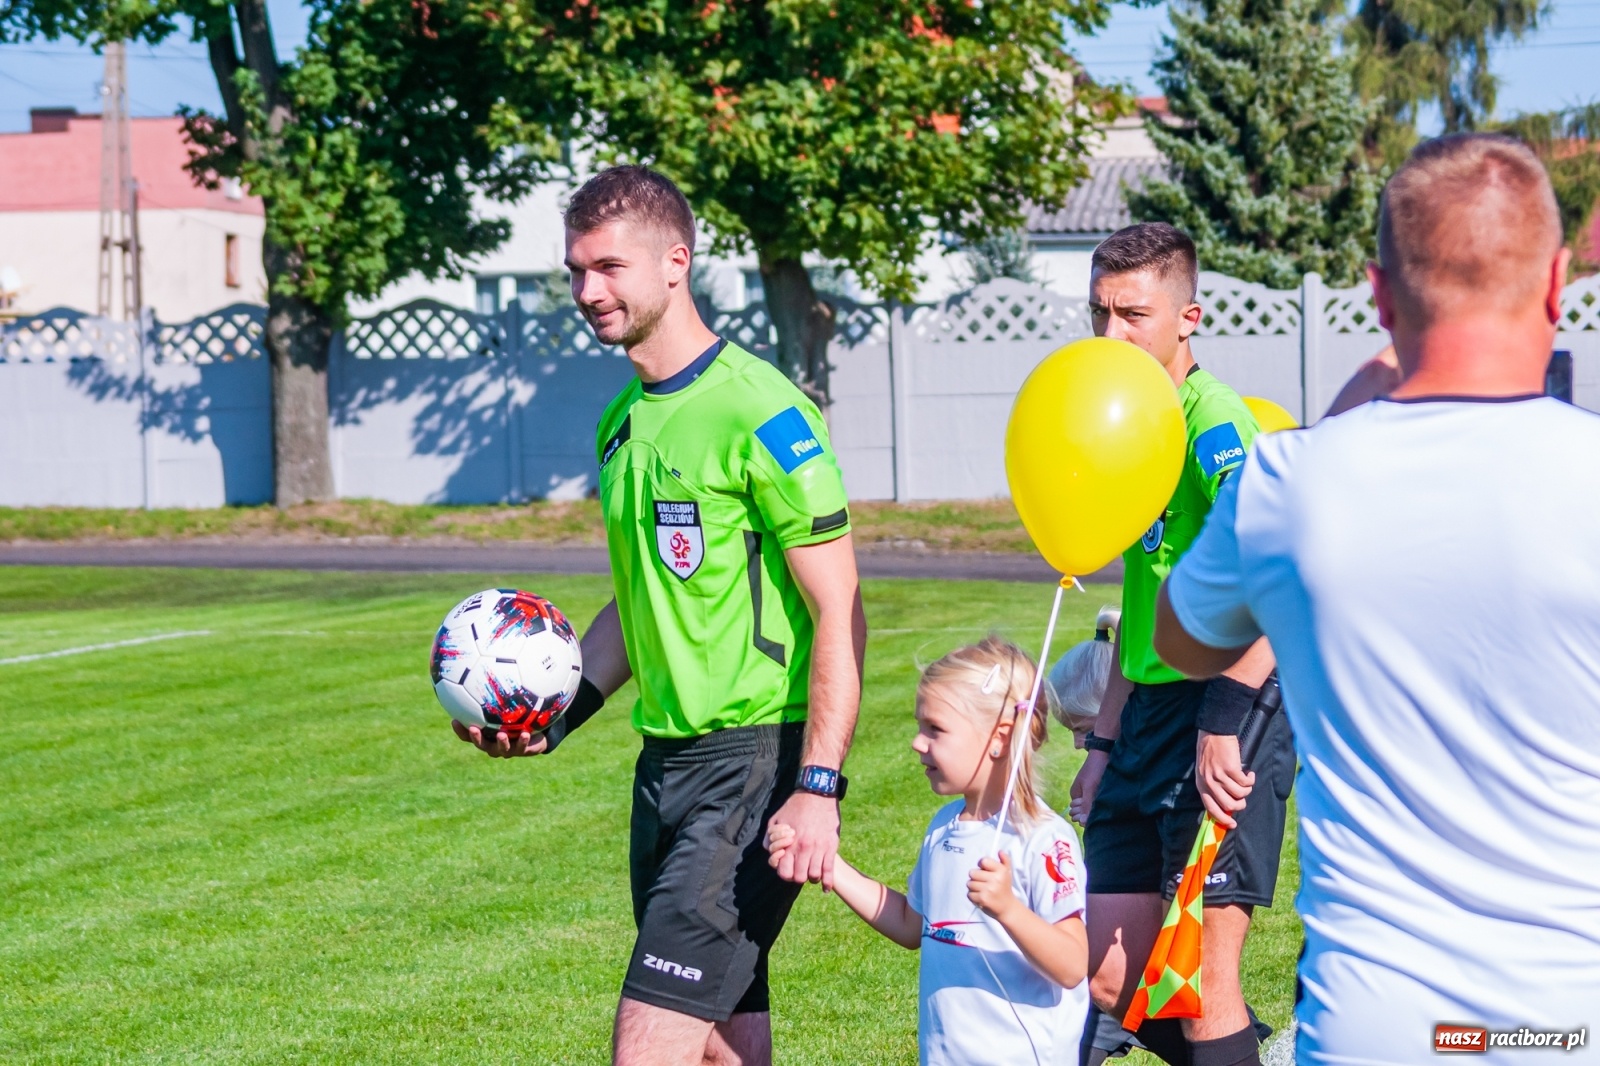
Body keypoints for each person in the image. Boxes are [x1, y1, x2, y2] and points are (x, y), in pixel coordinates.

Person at [1154, 134, 1600, 1063]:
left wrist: (1335, 427)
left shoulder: (1286, 481)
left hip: (1374, 1026)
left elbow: (1183, 640)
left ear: (1379, 294)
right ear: (1559, 283)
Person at [453, 165, 868, 1066]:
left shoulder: (765, 413)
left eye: (608, 268)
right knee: (723, 1042)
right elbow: (640, 600)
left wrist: (818, 785)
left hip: (754, 763)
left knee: (647, 1047)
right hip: (664, 766)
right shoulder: (620, 424)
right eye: (574, 271)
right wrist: (555, 720)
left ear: (675, 262)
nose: (586, 291)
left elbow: (839, 606)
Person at [1069, 223, 1293, 1066]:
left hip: (1232, 707)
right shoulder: (1126, 424)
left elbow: (1278, 571)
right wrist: (1101, 740)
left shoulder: (1213, 424)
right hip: (1147, 716)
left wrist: (1225, 716)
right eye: (1100, 313)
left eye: (1134, 314)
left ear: (1188, 316)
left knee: (1195, 982)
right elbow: (1143, 599)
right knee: (1107, 977)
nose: (1112, 335)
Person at [768, 636, 1089, 1066]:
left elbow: (1072, 964)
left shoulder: (1043, 838)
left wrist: (1008, 909)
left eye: (935, 729)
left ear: (999, 738)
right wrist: (830, 865)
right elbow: (911, 924)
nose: (918, 743)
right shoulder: (944, 828)